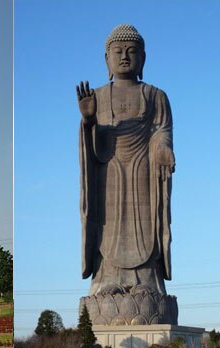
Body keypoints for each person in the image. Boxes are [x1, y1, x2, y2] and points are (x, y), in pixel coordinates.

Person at [77, 25, 174, 301]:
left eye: (132, 52)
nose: (124, 57)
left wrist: (163, 147)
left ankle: (148, 281)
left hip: (144, 171)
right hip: (109, 173)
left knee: (146, 224)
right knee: (108, 226)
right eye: (117, 52)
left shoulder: (156, 96)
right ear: (106, 58)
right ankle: (107, 279)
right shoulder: (96, 96)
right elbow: (94, 151)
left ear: (143, 58)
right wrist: (88, 121)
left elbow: (161, 131)